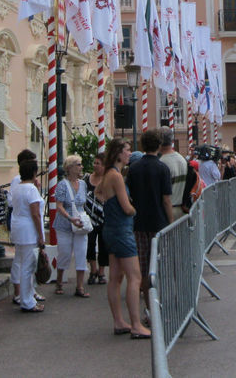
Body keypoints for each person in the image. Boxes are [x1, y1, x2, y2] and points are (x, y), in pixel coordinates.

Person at [96, 137, 149, 339]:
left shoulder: (108, 175)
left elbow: (98, 193)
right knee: (134, 277)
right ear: (119, 153)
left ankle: (119, 320)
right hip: (122, 229)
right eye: (127, 150)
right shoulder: (116, 176)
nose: (129, 153)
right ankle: (136, 323)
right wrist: (136, 210)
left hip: (110, 228)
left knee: (116, 278)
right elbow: (127, 208)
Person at [126, 129, 172, 315]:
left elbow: (129, 195)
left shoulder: (134, 168)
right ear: (159, 145)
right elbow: (166, 199)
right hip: (158, 222)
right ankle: (158, 302)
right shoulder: (162, 168)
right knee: (160, 265)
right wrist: (170, 222)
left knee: (143, 268)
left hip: (138, 223)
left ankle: (148, 307)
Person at [10, 159, 46, 312]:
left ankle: (27, 296)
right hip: (28, 230)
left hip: (18, 227)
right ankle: (27, 301)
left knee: (22, 262)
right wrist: (40, 235)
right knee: (28, 267)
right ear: (33, 172)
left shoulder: (17, 188)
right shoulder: (31, 189)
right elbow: (35, 213)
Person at [53, 155, 90, 297]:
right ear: (70, 168)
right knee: (64, 253)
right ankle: (59, 281)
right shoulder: (62, 185)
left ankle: (80, 286)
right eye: (78, 165)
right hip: (64, 224)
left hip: (80, 224)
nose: (81, 167)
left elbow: (83, 203)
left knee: (81, 252)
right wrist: (70, 218)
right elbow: (59, 206)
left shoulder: (83, 184)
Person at [84, 152, 108, 285]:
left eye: (98, 163)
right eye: (94, 163)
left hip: (104, 217)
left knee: (104, 245)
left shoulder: (107, 180)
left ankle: (102, 271)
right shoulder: (87, 179)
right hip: (89, 218)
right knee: (90, 244)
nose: (95, 166)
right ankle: (93, 269)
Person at [156, 127, 187, 222]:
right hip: (182, 210)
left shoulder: (161, 163)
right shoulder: (182, 160)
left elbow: (164, 196)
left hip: (168, 211)